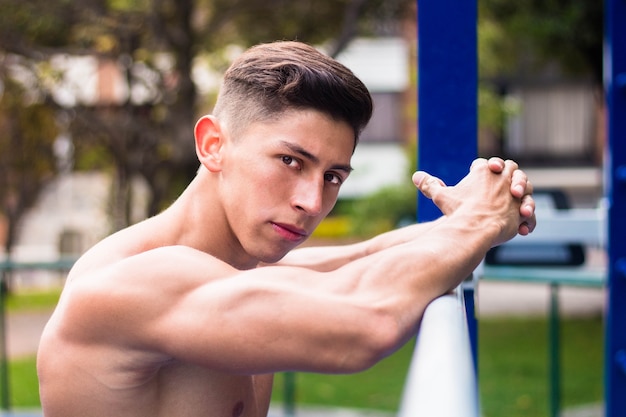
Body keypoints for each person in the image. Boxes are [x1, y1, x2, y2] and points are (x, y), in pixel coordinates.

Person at [37, 41, 536, 417]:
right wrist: (479, 221)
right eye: (290, 161)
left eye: (332, 176)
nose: (311, 201)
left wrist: (481, 214)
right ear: (213, 144)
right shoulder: (132, 282)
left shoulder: (235, 272)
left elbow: (364, 256)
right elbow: (363, 324)